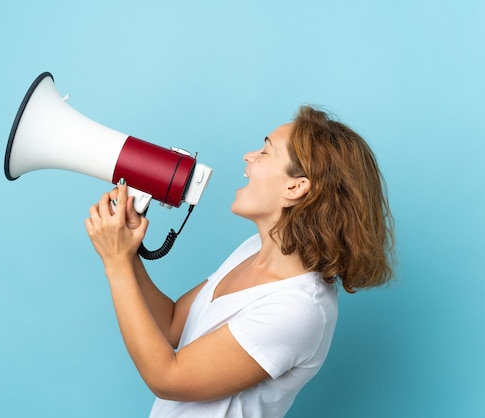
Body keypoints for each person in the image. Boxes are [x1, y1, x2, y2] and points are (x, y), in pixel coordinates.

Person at [85, 105, 395, 417]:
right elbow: (172, 324)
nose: (249, 156)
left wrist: (116, 264)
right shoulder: (254, 249)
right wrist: (125, 251)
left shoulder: (299, 308)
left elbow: (169, 378)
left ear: (296, 186)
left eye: (266, 152)